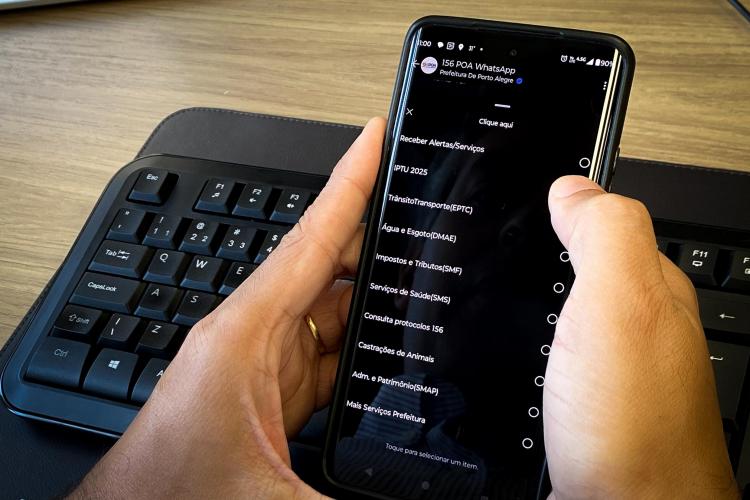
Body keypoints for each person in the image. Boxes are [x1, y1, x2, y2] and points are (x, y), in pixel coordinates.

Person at [70, 118, 740, 499]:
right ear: (413, 248)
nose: (509, 235)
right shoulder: (385, 408)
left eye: (528, 220)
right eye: (483, 203)